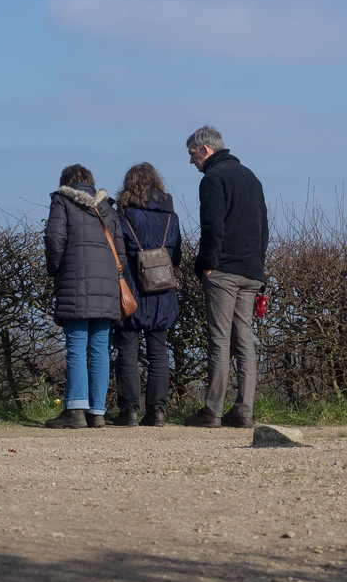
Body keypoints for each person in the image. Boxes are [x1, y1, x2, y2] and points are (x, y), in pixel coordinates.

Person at [184, 126, 269, 429]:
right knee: (244, 340)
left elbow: (212, 227)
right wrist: (258, 269)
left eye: (192, 154)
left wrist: (206, 265)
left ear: (205, 150)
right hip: (250, 272)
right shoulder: (251, 177)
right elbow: (264, 229)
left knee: (219, 341)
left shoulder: (213, 179)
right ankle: (244, 410)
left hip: (223, 272)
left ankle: (212, 411)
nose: (191, 161)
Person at [43, 164, 125, 429]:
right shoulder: (107, 207)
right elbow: (120, 252)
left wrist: (55, 269)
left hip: (74, 283)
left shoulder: (62, 201)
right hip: (107, 288)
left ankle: (76, 410)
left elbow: (54, 238)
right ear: (90, 182)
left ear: (65, 182)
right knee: (100, 348)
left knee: (77, 348)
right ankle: (97, 412)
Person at [113, 163, 183, 427]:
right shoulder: (170, 215)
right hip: (162, 290)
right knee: (159, 352)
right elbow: (175, 256)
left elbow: (118, 254)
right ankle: (157, 412)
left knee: (127, 351)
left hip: (131, 290)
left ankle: (129, 411)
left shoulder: (123, 214)